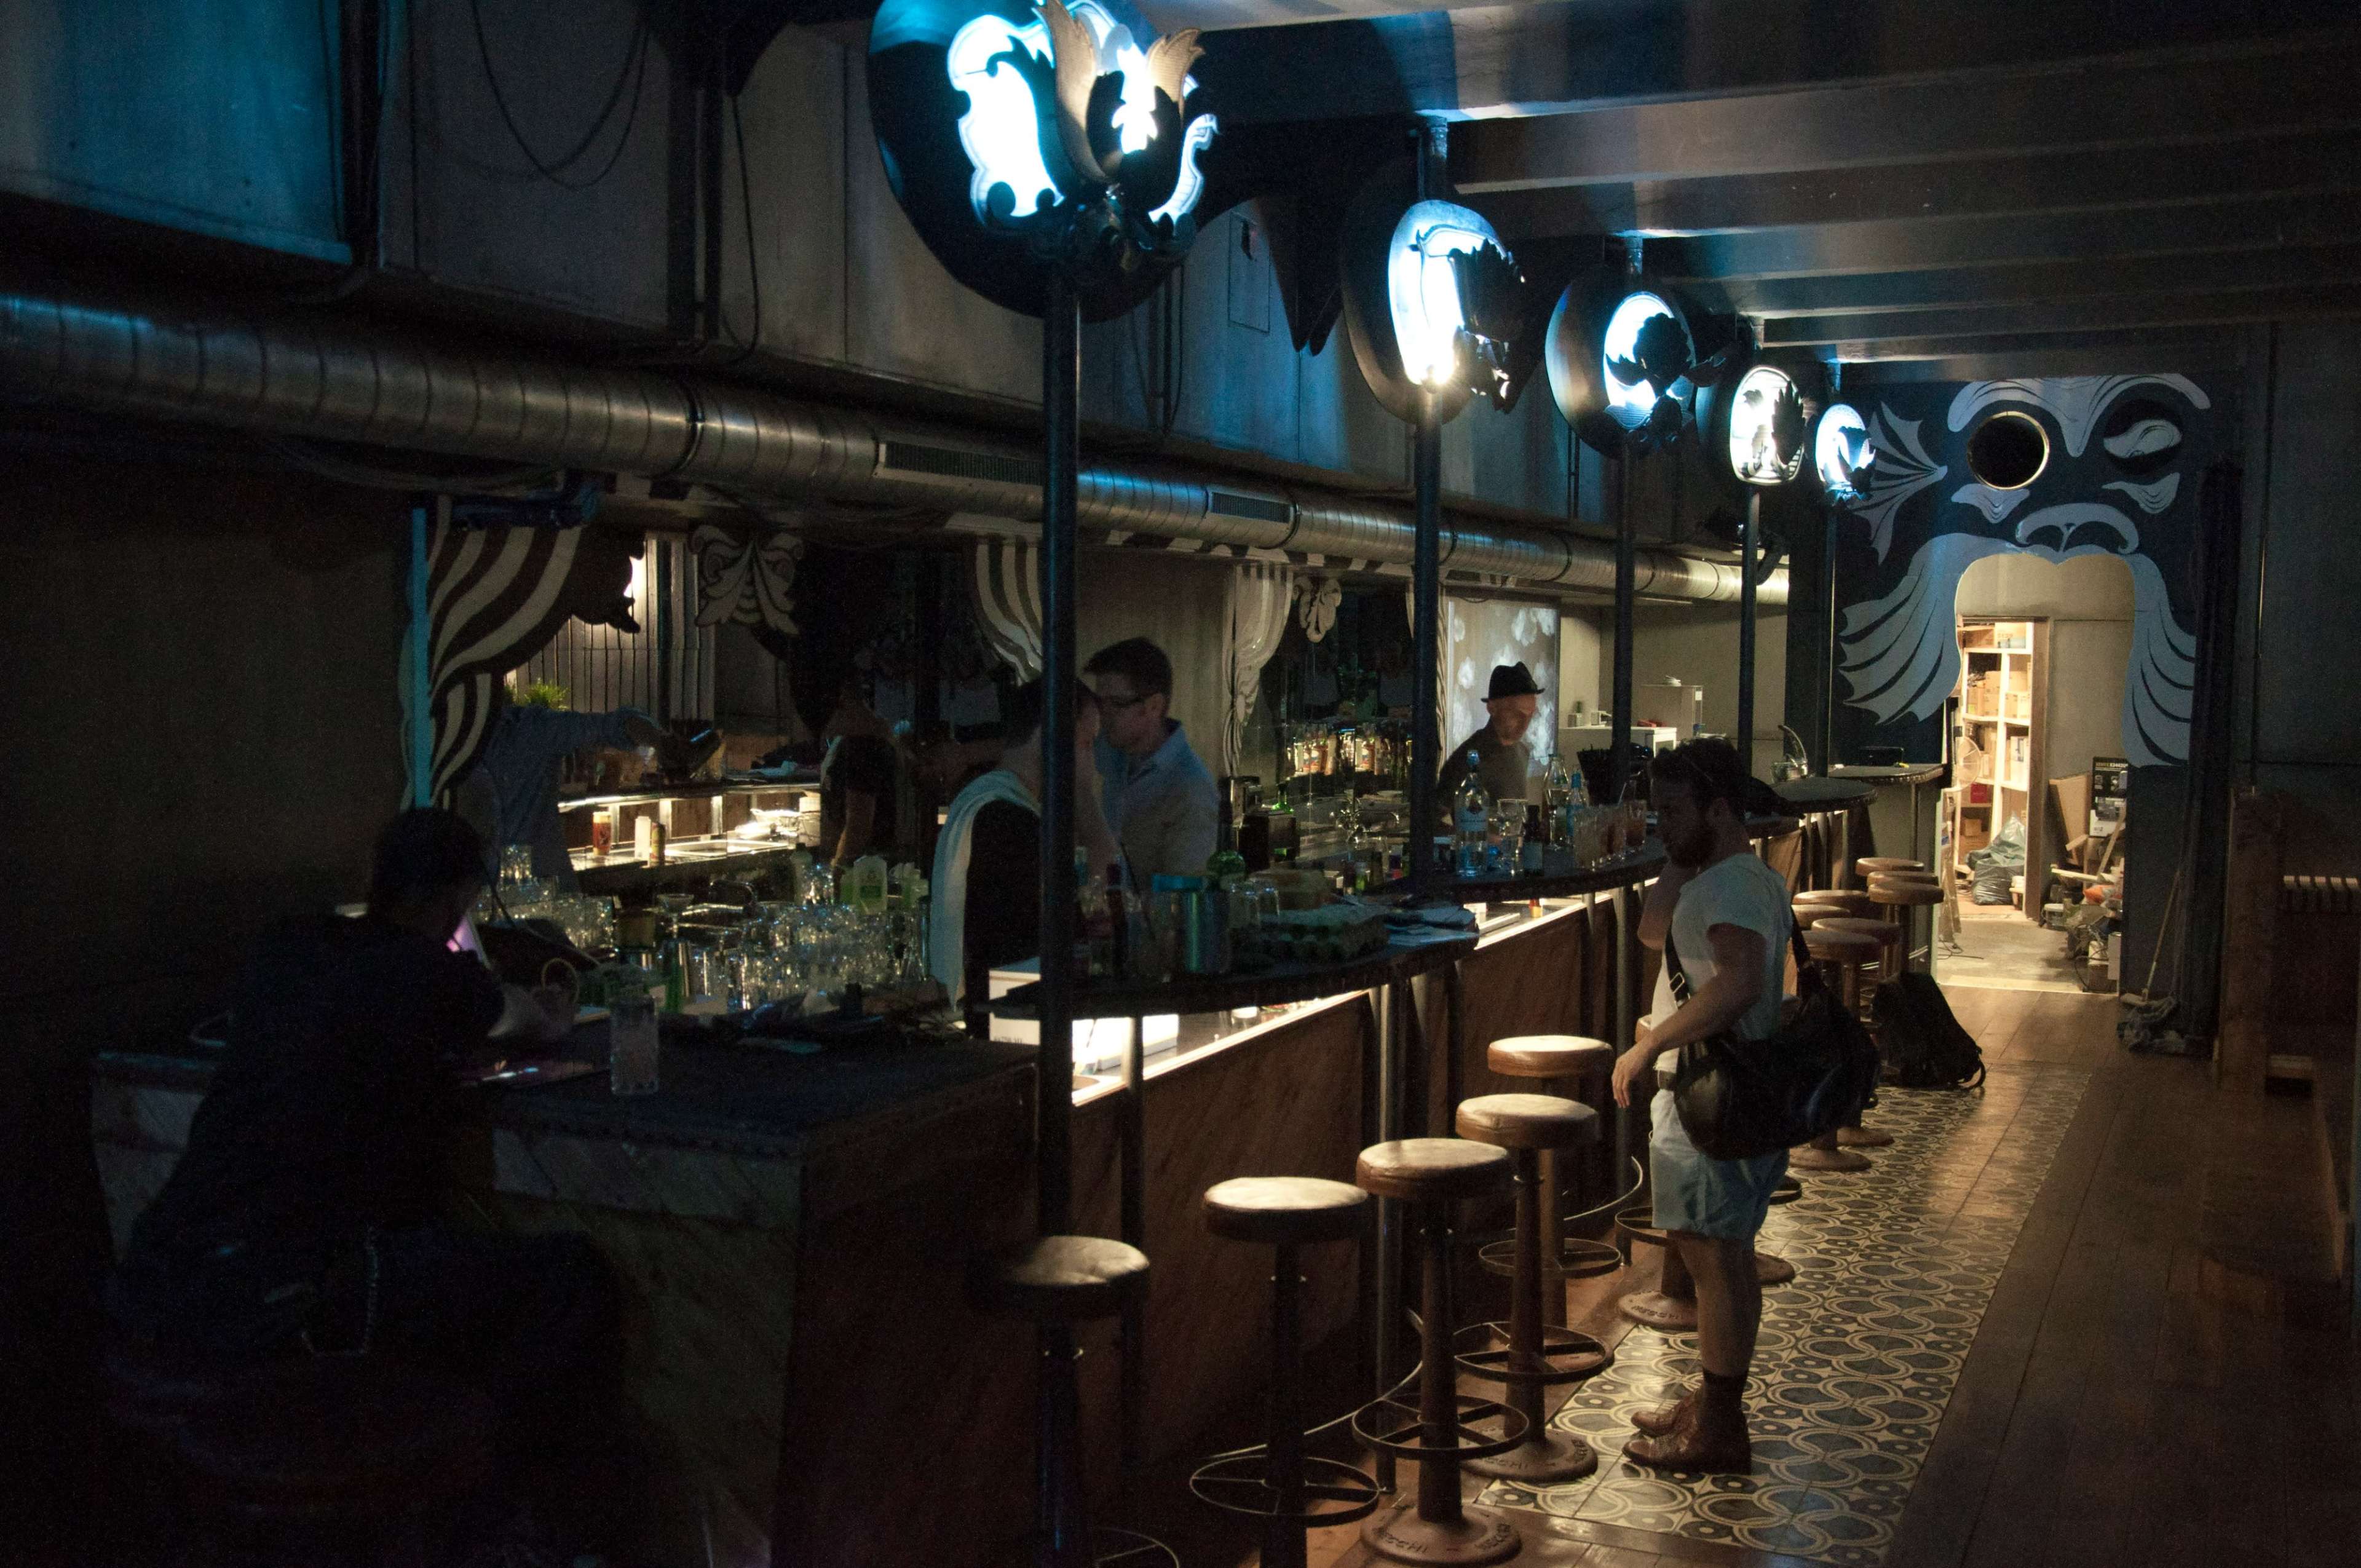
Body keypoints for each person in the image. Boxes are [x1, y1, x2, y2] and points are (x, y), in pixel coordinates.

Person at [105, 809, 630, 1554]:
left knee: (443, 1275)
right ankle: (498, 1527)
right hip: (291, 1297)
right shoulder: (426, 973)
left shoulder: (285, 948)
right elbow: (527, 1022)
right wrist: (547, 1009)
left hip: (161, 1281)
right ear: (454, 903)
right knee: (571, 1279)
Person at [1608, 738, 1793, 1473]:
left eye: (1677, 810)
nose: (1662, 824)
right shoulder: (1721, 876)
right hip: (1712, 1090)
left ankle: (1720, 1427)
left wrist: (1651, 1044)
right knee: (1719, 1253)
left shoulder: (1736, 887)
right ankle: (1715, 1403)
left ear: (1721, 808)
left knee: (1716, 1260)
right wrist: (1682, 849)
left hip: (1712, 1092)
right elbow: (1655, 931)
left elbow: (1740, 983)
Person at [927, 678, 1123, 1013]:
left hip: (992, 1006)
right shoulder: (1008, 820)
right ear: (1051, 738)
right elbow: (1100, 901)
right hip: (1009, 1019)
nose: (1092, 761)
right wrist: (1085, 794)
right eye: (1086, 743)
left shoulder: (986, 799)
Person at [457, 682, 671, 892]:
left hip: (545, 896)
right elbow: (614, 726)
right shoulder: (528, 730)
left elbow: (614, 726)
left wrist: (662, 742)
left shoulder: (529, 728)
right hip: (489, 900)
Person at [1085, 636, 1219, 880]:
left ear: (1155, 706)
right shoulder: (1111, 751)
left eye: (1116, 703)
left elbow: (1180, 894)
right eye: (1099, 702)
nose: (1102, 714)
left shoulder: (1190, 787)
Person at [808, 671, 906, 873]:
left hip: (866, 873)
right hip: (878, 865)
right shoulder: (875, 736)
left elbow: (859, 823)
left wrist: (840, 871)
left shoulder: (863, 745)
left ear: (841, 699)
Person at [1434, 660, 1544, 817]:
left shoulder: (1522, 752)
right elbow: (1428, 823)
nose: (1525, 724)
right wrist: (1472, 833)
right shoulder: (1469, 757)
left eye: (1530, 715)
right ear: (1492, 708)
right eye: (1517, 714)